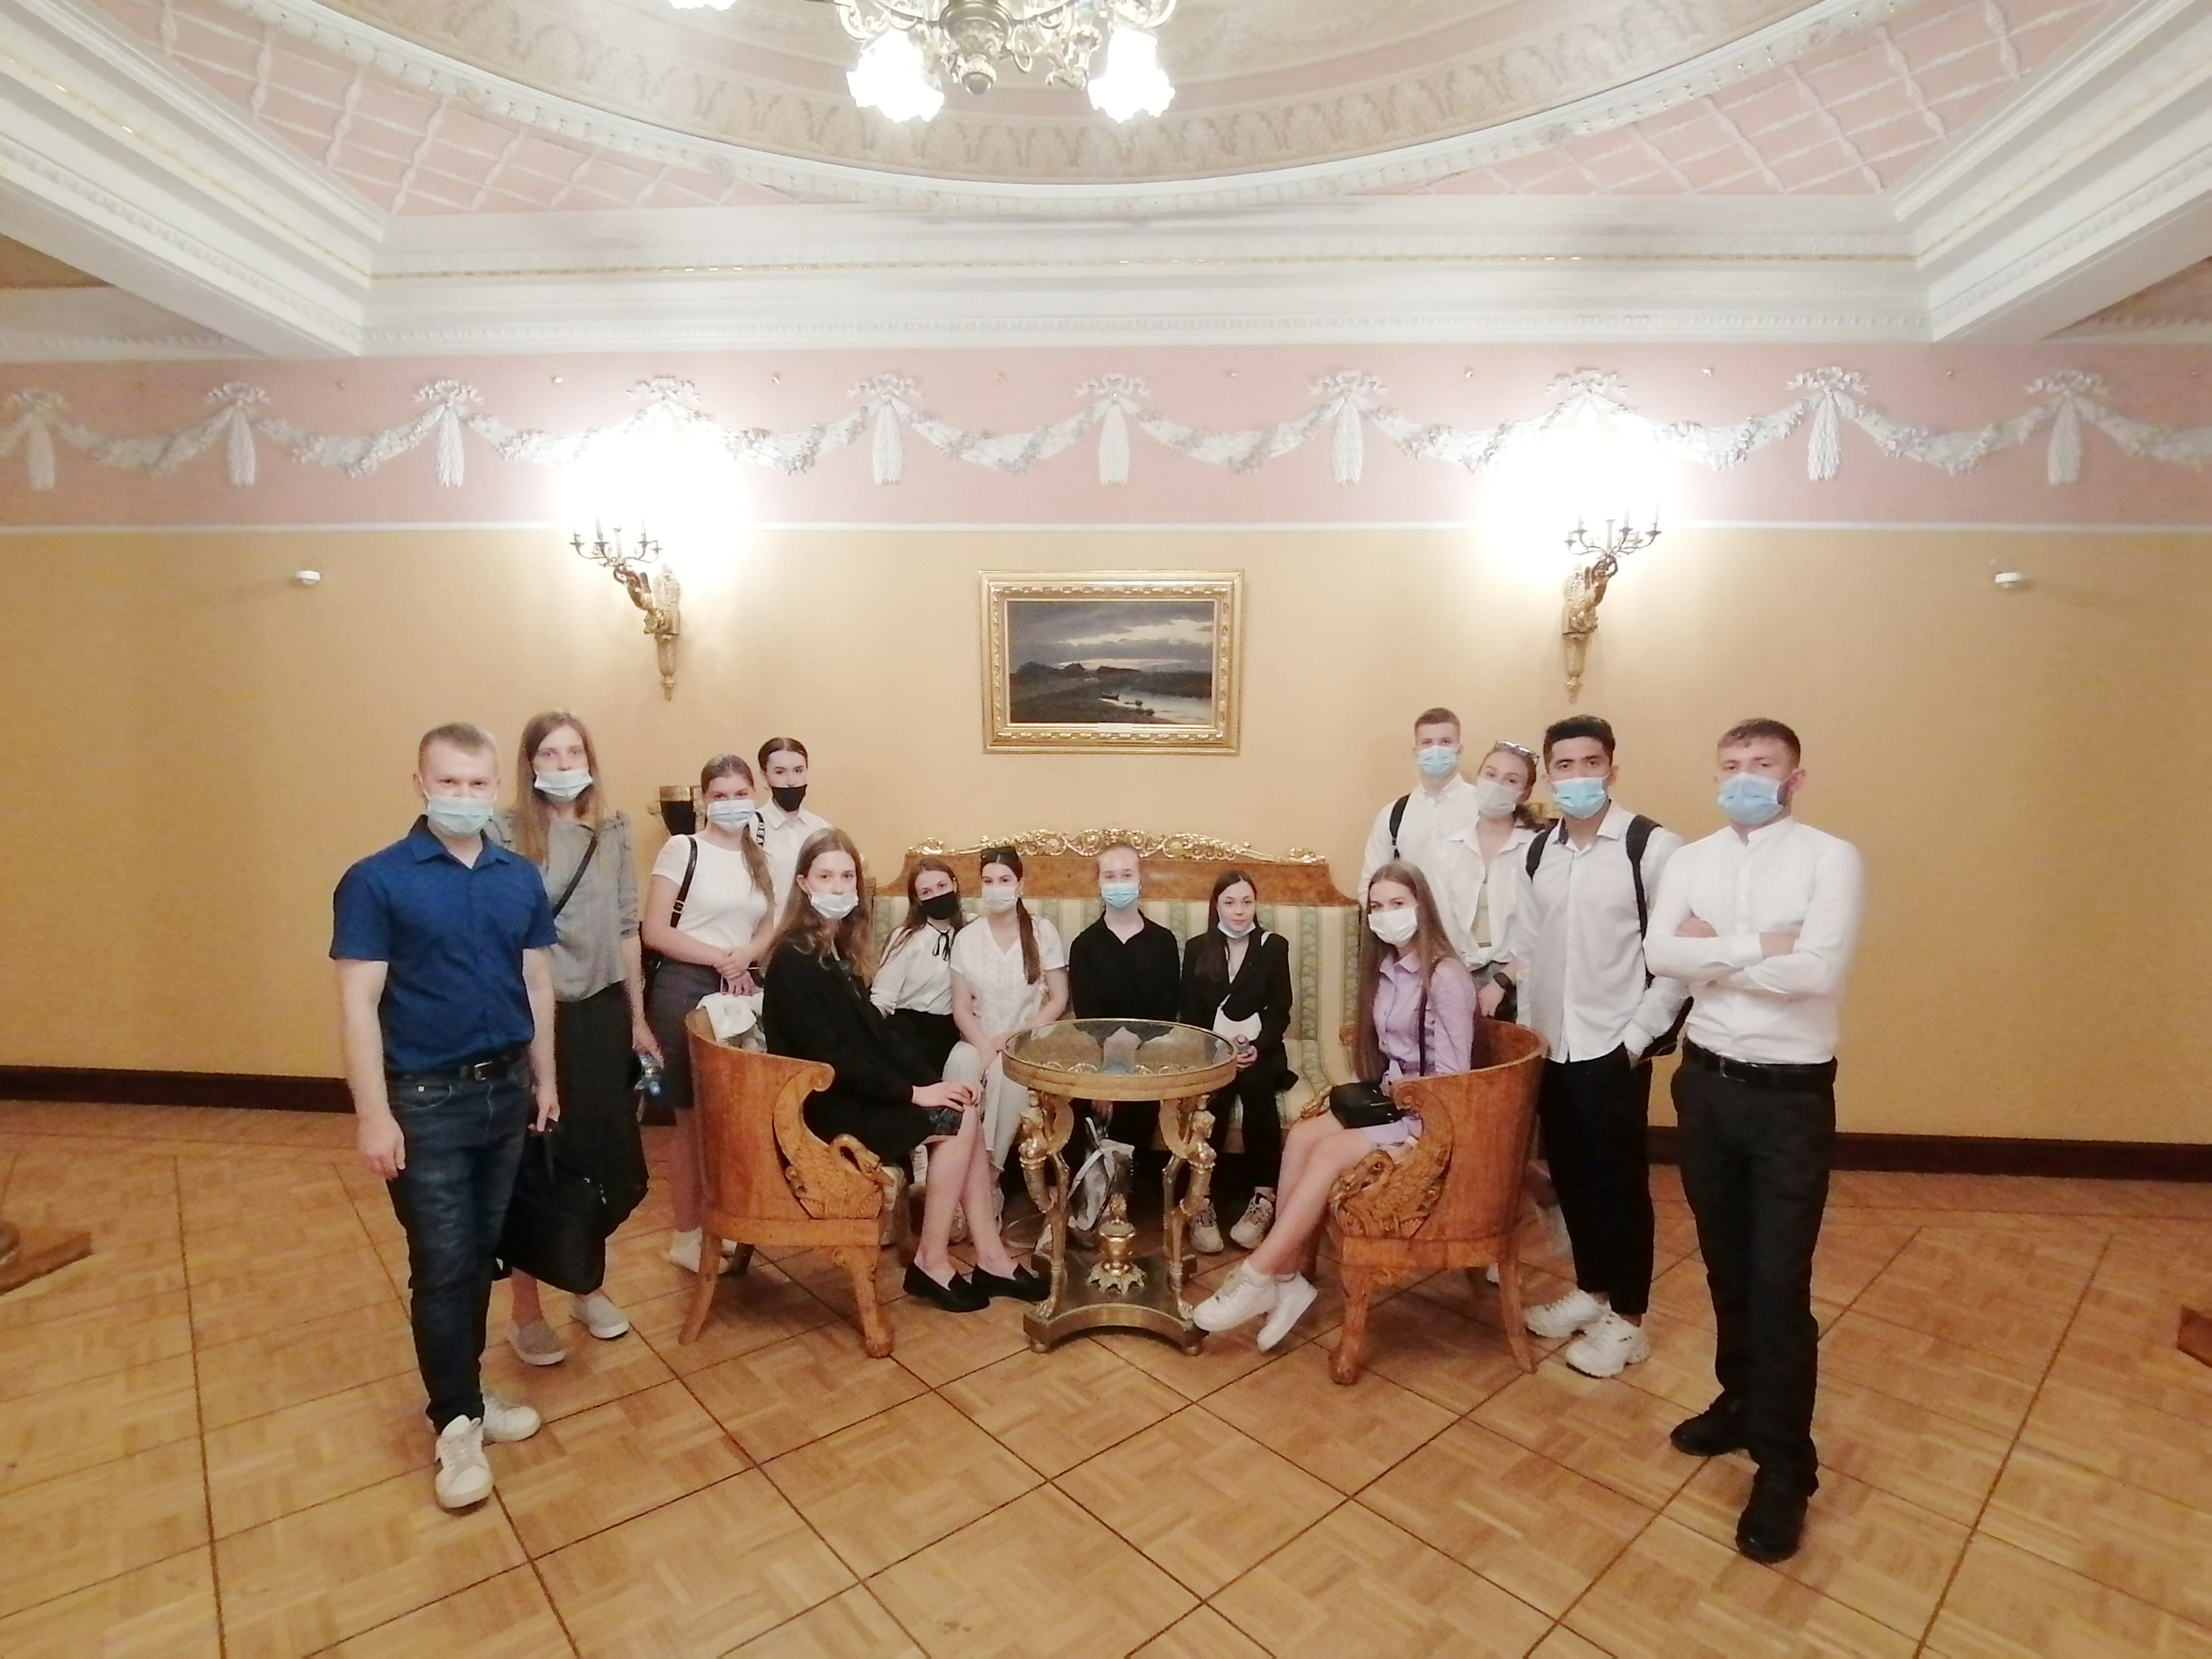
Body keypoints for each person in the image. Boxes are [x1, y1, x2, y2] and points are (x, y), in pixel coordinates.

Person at [1644, 718, 1863, 1566]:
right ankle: (1739, 1404)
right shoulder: (1691, 860)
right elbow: (1662, 953)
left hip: (1788, 1100)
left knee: (1779, 1284)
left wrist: (1715, 952)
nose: (1744, 777)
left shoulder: (1829, 859)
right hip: (1706, 1086)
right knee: (1727, 1268)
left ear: (1794, 778)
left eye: (1762, 764)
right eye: (1731, 764)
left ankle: (1786, 1468)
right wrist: (1763, 947)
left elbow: (1817, 970)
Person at [331, 722, 554, 1512]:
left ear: (496, 788)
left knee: (481, 1255)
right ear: (422, 784)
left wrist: (546, 1078)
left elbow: (537, 984)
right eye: (450, 782)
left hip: (504, 1094)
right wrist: (373, 1114)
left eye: (478, 784)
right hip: (423, 1102)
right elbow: (358, 1003)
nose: (465, 796)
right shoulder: (376, 881)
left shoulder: (517, 878)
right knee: (443, 1261)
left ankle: (468, 1391)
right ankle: (455, 1422)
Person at [762, 830, 1047, 1313]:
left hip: (848, 1091)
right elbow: (831, 1057)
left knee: (960, 1105)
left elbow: (875, 1033)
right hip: (824, 1108)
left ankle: (991, 1257)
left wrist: (934, 1083)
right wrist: (913, 1093)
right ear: (805, 883)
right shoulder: (796, 958)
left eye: (847, 877)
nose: (838, 887)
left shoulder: (834, 949)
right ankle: (931, 1261)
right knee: (957, 1120)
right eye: (826, 877)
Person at [1193, 862, 1475, 1351]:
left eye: (1398, 904)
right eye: (1377, 907)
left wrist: (1412, 1124)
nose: (1387, 915)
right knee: (1302, 1136)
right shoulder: (1386, 968)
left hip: (1427, 1118)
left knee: (1326, 1153)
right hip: (1390, 1100)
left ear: (1422, 907)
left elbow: (1455, 1079)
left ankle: (1257, 1275)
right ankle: (1288, 1280)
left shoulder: (1445, 975)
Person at [1496, 715, 1687, 1380]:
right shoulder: (1536, 853)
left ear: (1612, 769)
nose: (1578, 776)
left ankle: (1628, 1319)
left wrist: (1635, 1042)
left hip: (1613, 1045)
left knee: (1620, 1185)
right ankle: (1592, 1289)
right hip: (1554, 1045)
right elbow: (1525, 950)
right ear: (1549, 776)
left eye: (1590, 763)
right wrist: (1521, 1028)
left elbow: (1675, 959)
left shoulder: (1651, 849)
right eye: (1565, 765)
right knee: (1572, 1175)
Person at [490, 712, 653, 1367]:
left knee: (601, 1159)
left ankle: (587, 1286)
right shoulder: (504, 832)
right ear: (531, 764)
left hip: (600, 1014)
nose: (563, 765)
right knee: (540, 1164)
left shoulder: (613, 830)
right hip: (533, 1017)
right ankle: (526, 1312)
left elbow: (627, 928)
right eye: (550, 754)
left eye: (574, 752)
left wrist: (638, 1018)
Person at [642, 754, 778, 1273]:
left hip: (739, 987)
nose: (731, 804)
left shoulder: (759, 858)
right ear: (705, 800)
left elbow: (768, 923)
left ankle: (725, 1220)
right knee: (690, 1119)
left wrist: (746, 956)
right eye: (720, 796)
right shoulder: (683, 849)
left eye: (740, 794)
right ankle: (686, 1234)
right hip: (686, 985)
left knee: (731, 1118)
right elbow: (656, 929)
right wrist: (722, 958)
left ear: (754, 794)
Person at [1179, 868, 1296, 1252]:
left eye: (1247, 902)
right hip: (1213, 1052)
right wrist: (1221, 1053)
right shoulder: (1198, 948)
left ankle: (1264, 1197)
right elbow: (1191, 1013)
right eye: (1230, 903)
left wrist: (1257, 1047)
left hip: (1259, 1049)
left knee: (1259, 1088)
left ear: (1256, 905)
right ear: (1217, 906)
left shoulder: (1273, 947)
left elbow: (1281, 1010)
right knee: (1214, 1097)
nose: (1239, 911)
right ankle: (1201, 1198)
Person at [1065, 842, 1183, 1206]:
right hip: (1095, 1059)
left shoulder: (1163, 942)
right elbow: (1087, 1019)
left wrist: (1128, 1052)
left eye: (1126, 875)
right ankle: (1086, 1200)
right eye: (1110, 876)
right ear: (1099, 884)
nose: (1119, 883)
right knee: (1079, 1103)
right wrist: (1106, 1076)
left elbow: (1166, 1015)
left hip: (1149, 1057)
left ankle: (1122, 1197)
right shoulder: (1084, 946)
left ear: (1140, 881)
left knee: (1137, 1100)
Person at [946, 846, 1070, 1171]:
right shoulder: (967, 938)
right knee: (959, 1061)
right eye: (988, 881)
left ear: (1020, 885)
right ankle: (956, 1167)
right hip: (979, 1039)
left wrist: (1013, 1038)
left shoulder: (1043, 932)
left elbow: (1059, 998)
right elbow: (961, 1008)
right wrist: (985, 1046)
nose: (996, 888)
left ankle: (989, 1172)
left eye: (1005, 880)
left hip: (1028, 1042)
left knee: (1007, 1071)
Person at [1431, 740, 1543, 993]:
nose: (1497, 786)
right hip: (1460, 974)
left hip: (1523, 977)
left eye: (1511, 780)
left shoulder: (1538, 848)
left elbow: (1545, 927)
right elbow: (1442, 923)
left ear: (1525, 793)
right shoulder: (1449, 849)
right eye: (1491, 775)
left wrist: (1503, 980)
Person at [1357, 706, 1481, 894]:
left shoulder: (1483, 808)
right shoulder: (1393, 816)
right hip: (1414, 915)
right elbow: (1371, 888)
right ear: (1416, 753)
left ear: (1459, 750)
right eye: (1427, 743)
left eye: (1446, 742)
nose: (1436, 750)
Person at [871, 857, 967, 1076]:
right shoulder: (906, 938)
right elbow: (882, 997)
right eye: (926, 892)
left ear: (954, 885)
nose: (937, 895)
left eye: (942, 886)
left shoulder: (970, 932)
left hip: (949, 1030)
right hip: (907, 1029)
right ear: (918, 899)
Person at [757, 737, 830, 908]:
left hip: (812, 923)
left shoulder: (822, 829)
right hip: (767, 923)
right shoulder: (751, 827)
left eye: (798, 771)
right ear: (765, 775)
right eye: (780, 772)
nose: (791, 781)